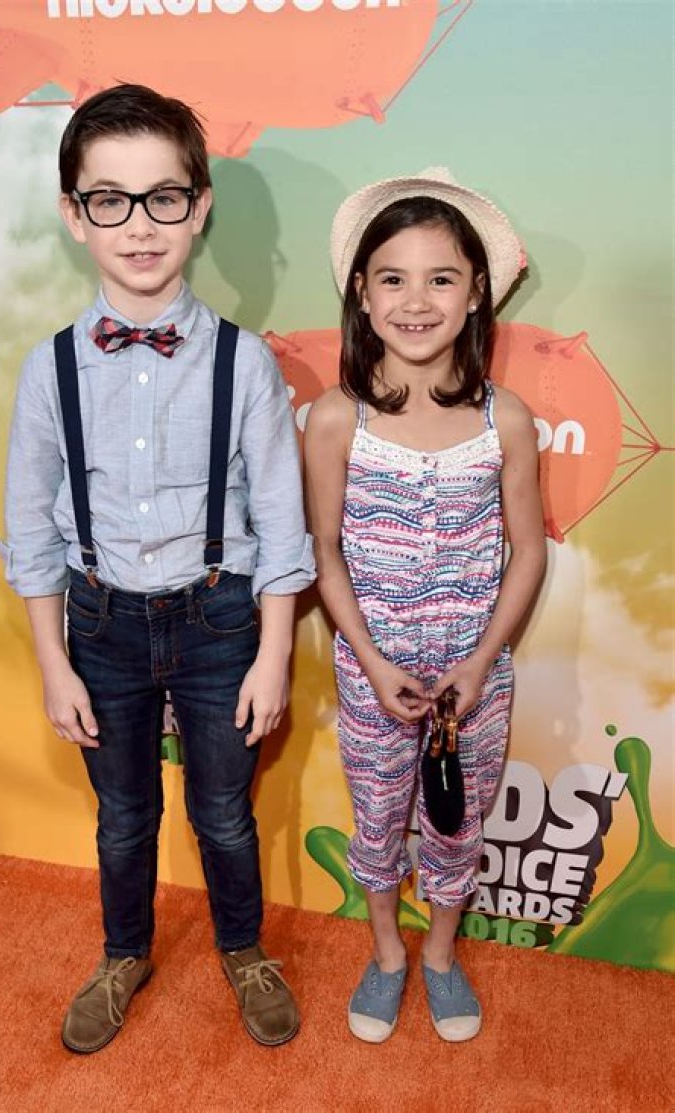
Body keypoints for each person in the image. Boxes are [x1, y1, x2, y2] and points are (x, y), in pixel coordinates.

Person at [0, 84, 314, 1054]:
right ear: (75, 215)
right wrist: (54, 663)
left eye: (163, 198)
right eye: (111, 200)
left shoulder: (245, 364)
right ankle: (123, 953)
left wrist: (272, 656)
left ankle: (243, 948)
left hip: (221, 621)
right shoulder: (50, 369)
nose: (139, 226)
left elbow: (282, 524)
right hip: (100, 625)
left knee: (224, 812)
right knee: (124, 816)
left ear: (200, 206)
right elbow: (30, 531)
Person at [304, 168, 546, 1044]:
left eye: (441, 278)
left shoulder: (503, 419)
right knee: (376, 819)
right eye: (393, 279)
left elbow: (529, 552)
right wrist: (372, 663)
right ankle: (387, 951)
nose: (416, 301)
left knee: (456, 819)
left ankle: (440, 952)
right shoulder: (336, 419)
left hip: (473, 682)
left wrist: (479, 664)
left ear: (476, 293)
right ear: (361, 294)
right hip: (373, 673)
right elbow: (325, 552)